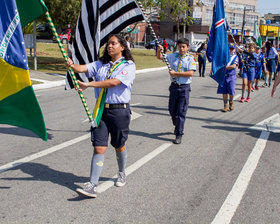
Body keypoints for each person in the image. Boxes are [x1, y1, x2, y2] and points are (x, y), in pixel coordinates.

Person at [66, 34, 136, 198]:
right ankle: (92, 185)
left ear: (122, 47)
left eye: (113, 43)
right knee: (99, 147)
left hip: (119, 111)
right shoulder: (101, 64)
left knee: (119, 145)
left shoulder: (128, 65)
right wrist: (72, 65)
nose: (109, 46)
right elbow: (82, 68)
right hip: (101, 111)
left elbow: (114, 82)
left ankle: (121, 172)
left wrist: (88, 84)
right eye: (108, 44)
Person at [157, 38, 196, 144]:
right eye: (180, 46)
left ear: (187, 47)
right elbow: (160, 57)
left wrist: (176, 74)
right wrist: (159, 49)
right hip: (174, 87)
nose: (181, 49)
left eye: (183, 46)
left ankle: (179, 134)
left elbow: (190, 73)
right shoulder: (173, 56)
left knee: (181, 112)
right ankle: (177, 124)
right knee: (172, 110)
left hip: (184, 88)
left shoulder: (190, 59)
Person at [217, 43, 239, 112]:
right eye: (229, 49)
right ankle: (225, 105)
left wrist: (225, 68)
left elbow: (233, 66)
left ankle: (231, 102)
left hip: (231, 76)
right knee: (224, 92)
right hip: (224, 76)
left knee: (231, 92)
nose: (230, 50)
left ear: (234, 50)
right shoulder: (224, 57)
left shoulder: (235, 57)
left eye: (232, 49)